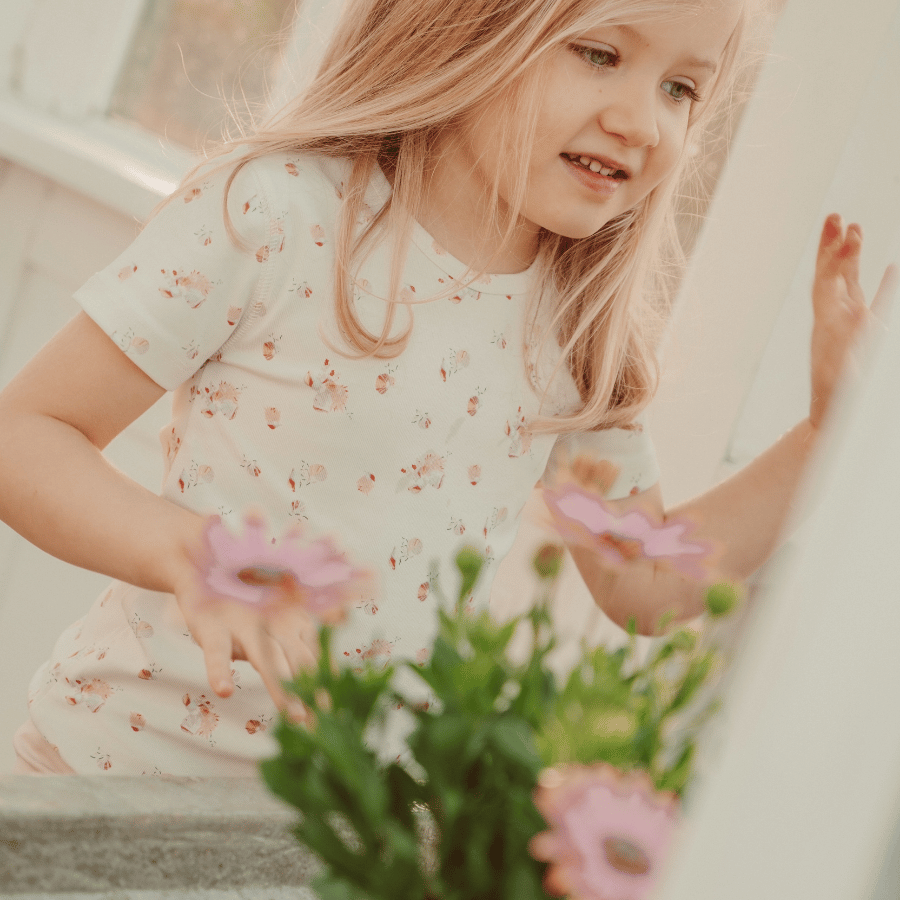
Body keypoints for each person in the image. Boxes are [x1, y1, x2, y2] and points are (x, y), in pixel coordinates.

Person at [0, 0, 889, 776]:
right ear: (470, 21)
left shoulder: (574, 328)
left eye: (682, 89)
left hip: (329, 837)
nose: (645, 122)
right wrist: (190, 555)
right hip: (104, 776)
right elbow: (26, 434)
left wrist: (825, 431)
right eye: (601, 53)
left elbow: (646, 581)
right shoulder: (277, 212)